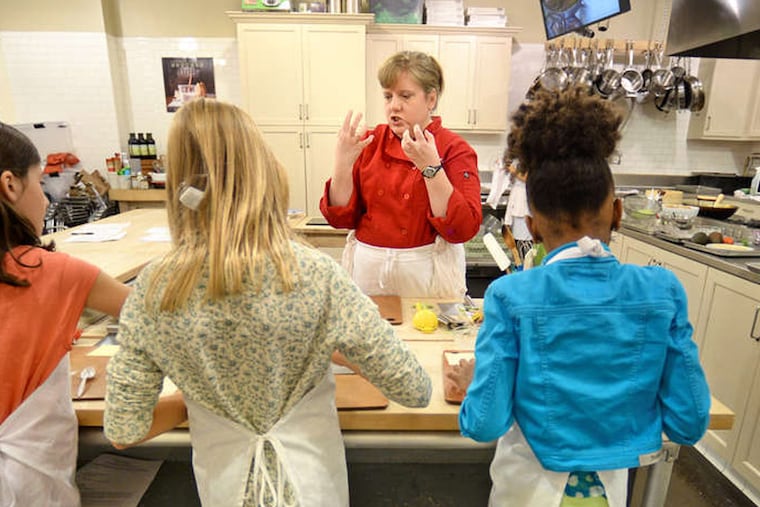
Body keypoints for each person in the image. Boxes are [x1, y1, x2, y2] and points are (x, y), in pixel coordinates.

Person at [103, 98, 432, 507]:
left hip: (225, 490)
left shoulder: (157, 289)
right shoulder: (314, 274)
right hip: (313, 489)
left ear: (180, 186)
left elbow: (123, 427)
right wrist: (325, 346)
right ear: (264, 172)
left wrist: (198, 401)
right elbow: (414, 389)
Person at [451, 87, 711, 507]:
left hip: (527, 492)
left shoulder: (510, 296)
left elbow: (484, 423)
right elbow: (690, 422)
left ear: (532, 228)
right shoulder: (662, 292)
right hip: (608, 493)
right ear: (618, 213)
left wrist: (475, 386)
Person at [0, 122, 132, 505]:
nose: (45, 201)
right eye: (39, 184)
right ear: (9, 185)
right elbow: (151, 314)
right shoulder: (48, 272)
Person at [320, 50, 482, 299]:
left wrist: (431, 168)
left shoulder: (453, 149)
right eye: (388, 96)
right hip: (367, 274)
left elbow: (461, 229)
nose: (394, 105)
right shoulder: (369, 143)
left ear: (431, 99)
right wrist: (342, 162)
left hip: (426, 278)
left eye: (405, 96)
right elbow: (340, 219)